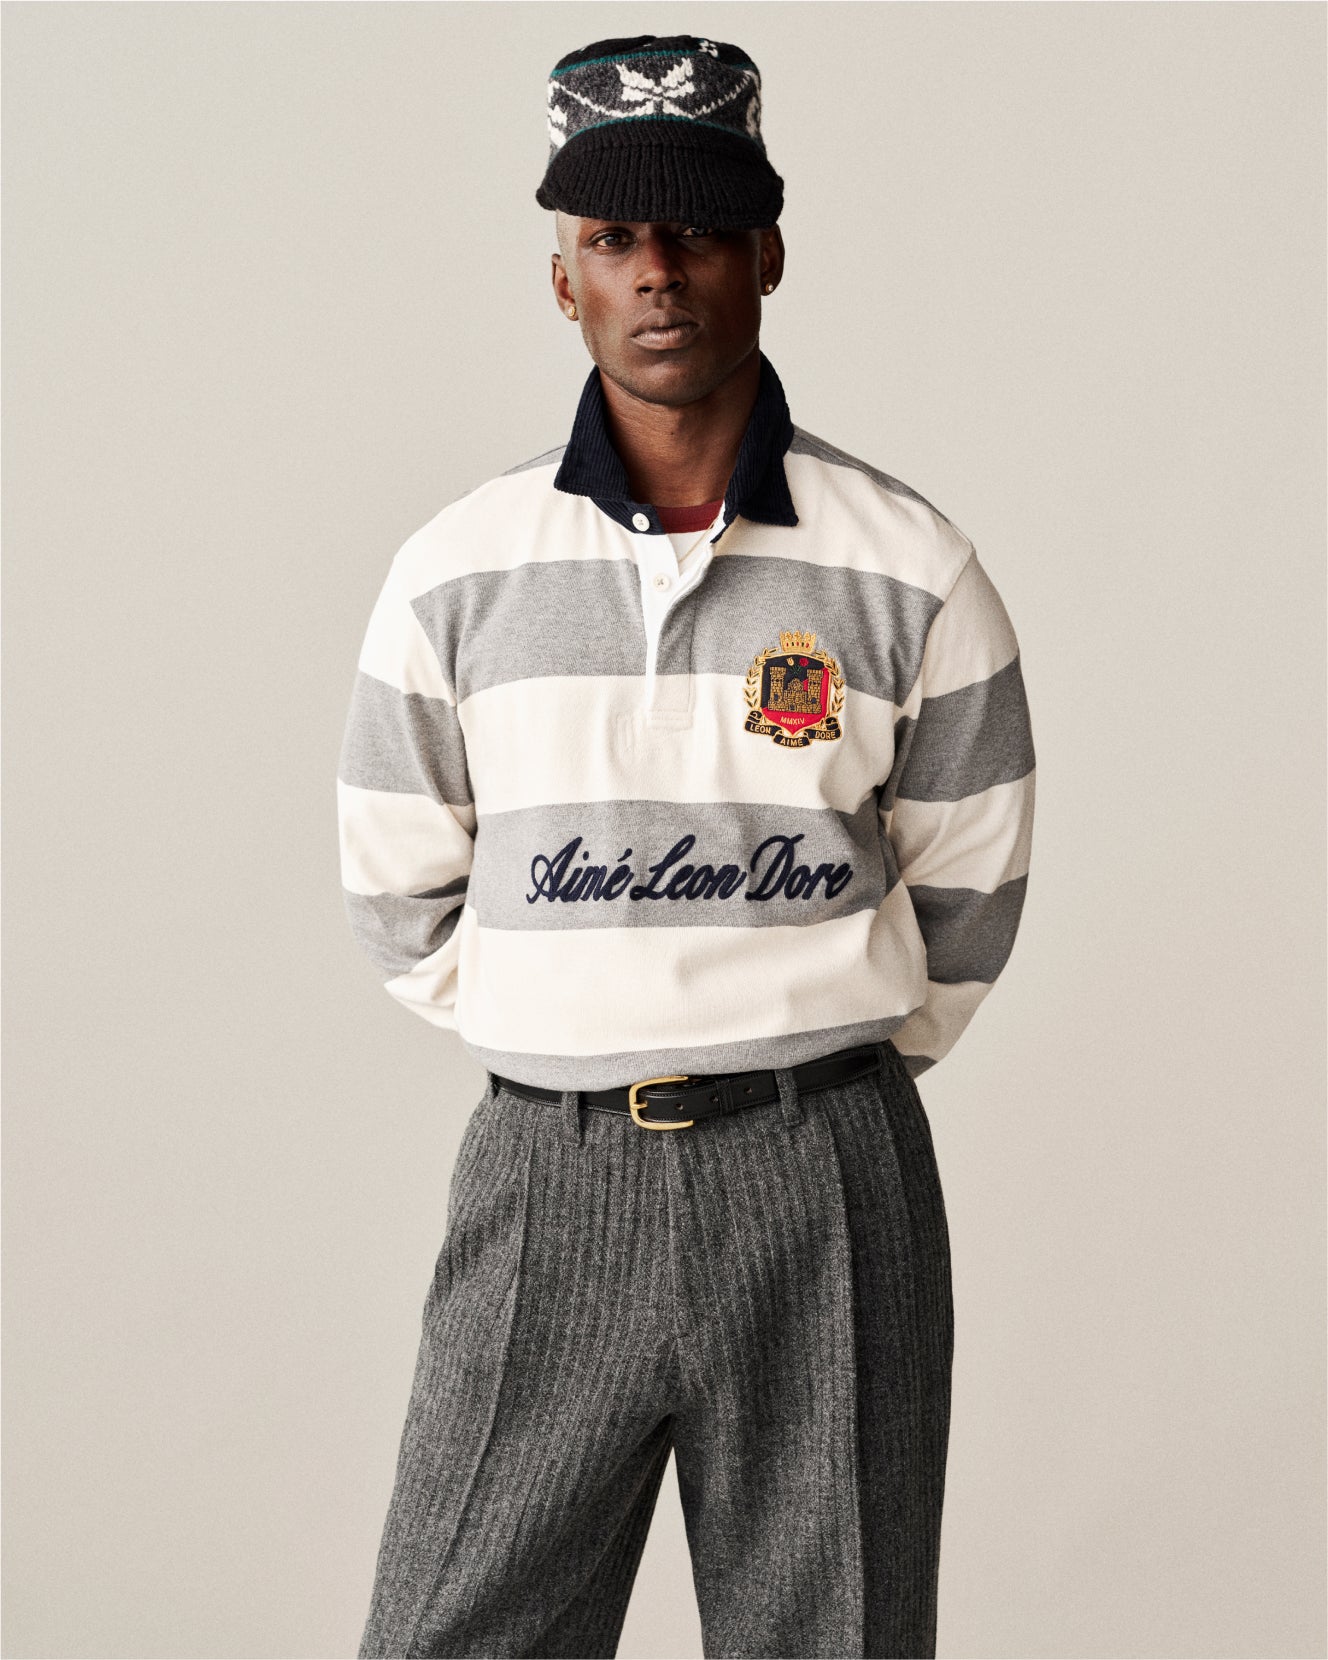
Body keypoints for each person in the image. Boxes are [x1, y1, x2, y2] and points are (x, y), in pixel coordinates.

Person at [337, 32, 1036, 1660]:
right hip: (548, 1177)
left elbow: (973, 892)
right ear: (563, 278)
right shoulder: (457, 573)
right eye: (615, 238)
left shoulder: (910, 568)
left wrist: (803, 1059)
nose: (661, 272)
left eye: (703, 230)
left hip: (824, 1178)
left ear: (768, 254)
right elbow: (398, 892)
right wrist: (577, 1031)